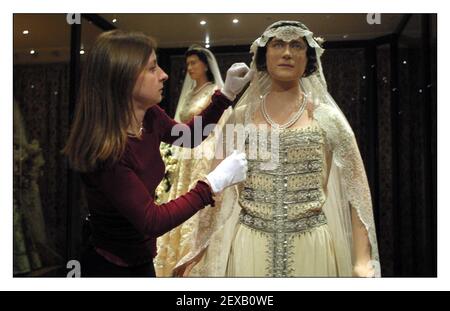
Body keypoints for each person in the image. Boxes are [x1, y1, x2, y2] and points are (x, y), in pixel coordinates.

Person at [174, 21, 381, 277]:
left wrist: (362, 258)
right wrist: (197, 248)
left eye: (296, 46)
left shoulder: (328, 118)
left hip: (312, 246)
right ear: (263, 55)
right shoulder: (240, 118)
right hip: (250, 245)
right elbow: (215, 187)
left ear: (308, 59)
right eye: (278, 44)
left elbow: (357, 190)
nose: (287, 53)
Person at [62, 30, 252, 277]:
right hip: (112, 267)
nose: (164, 75)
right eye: (152, 68)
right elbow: (152, 221)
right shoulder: (108, 151)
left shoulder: (150, 116)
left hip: (139, 257)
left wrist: (225, 95)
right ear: (124, 78)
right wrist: (213, 182)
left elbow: (189, 136)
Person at [155, 45, 231, 276]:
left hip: (204, 151)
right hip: (186, 151)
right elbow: (180, 125)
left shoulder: (215, 91)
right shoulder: (190, 95)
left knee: (199, 199)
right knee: (179, 198)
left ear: (205, 65)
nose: (189, 68)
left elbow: (222, 125)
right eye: (187, 64)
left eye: (194, 63)